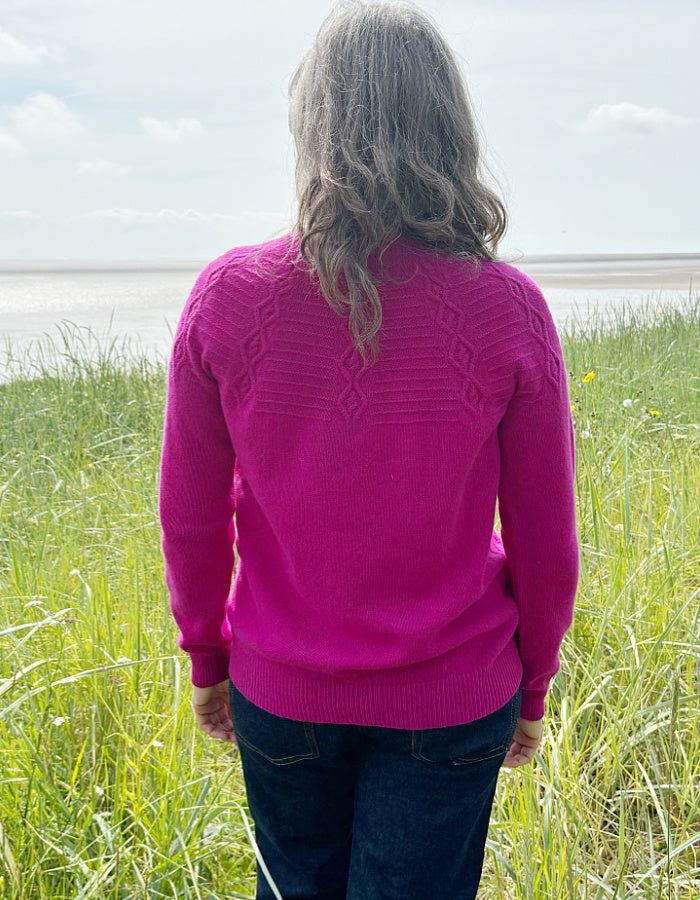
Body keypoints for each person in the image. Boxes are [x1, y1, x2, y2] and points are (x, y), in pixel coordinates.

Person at [159, 1, 579, 898]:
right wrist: (532, 687)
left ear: (312, 123)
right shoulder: (508, 309)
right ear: (448, 127)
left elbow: (190, 517)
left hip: (282, 694)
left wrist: (209, 660)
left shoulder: (228, 297)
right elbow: (548, 543)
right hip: (455, 700)